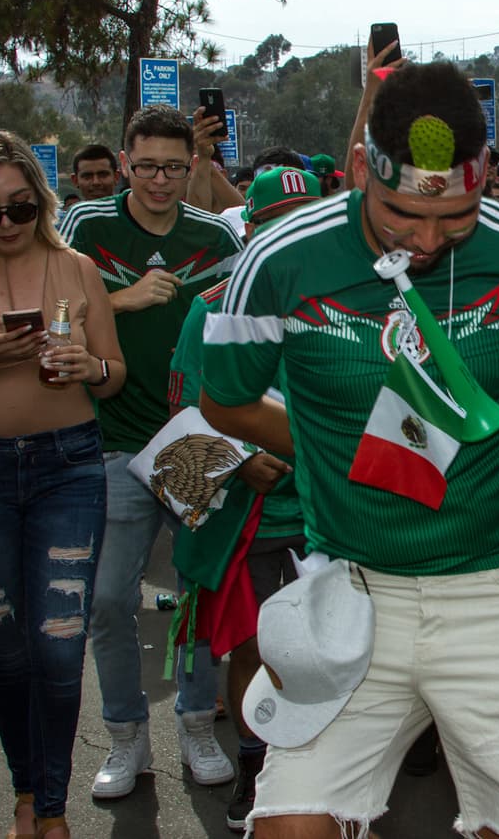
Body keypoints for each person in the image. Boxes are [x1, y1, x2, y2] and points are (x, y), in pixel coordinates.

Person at [199, 61, 499, 839]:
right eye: (402, 215)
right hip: (354, 590)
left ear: (487, 178)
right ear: (363, 167)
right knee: (289, 827)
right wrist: (334, 447)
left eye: (456, 217)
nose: (428, 240)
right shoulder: (282, 258)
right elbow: (222, 399)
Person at [0, 129, 126, 839]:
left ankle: (51, 807)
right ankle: (26, 793)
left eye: (19, 207)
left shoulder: (76, 269)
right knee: (7, 647)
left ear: (40, 203)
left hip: (68, 466)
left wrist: (88, 366)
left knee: (57, 643)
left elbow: (115, 376)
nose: (7, 224)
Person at [58, 104, 245, 800]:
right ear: (124, 166)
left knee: (196, 591)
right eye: (145, 167)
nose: (158, 180)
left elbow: (238, 331)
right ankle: (124, 735)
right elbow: (50, 302)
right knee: (107, 599)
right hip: (108, 435)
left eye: (172, 167)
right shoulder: (86, 224)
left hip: (193, 438)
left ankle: (197, 723)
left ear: (190, 166)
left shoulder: (214, 236)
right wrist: (124, 299)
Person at [167, 165, 320, 832]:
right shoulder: (211, 307)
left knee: (333, 648)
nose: (290, 236)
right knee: (256, 648)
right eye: (275, 223)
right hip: (250, 519)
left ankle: (322, 770)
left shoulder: (353, 305)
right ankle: (256, 766)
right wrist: (238, 460)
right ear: (250, 231)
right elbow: (182, 418)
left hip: (334, 516)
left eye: (305, 219)